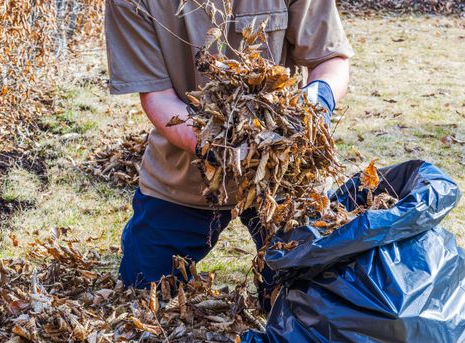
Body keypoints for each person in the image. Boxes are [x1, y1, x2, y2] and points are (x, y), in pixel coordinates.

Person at [105, 0, 353, 310]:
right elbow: (158, 99)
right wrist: (222, 143)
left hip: (283, 175)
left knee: (310, 304)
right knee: (144, 295)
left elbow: (330, 59)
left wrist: (316, 102)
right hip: (186, 176)